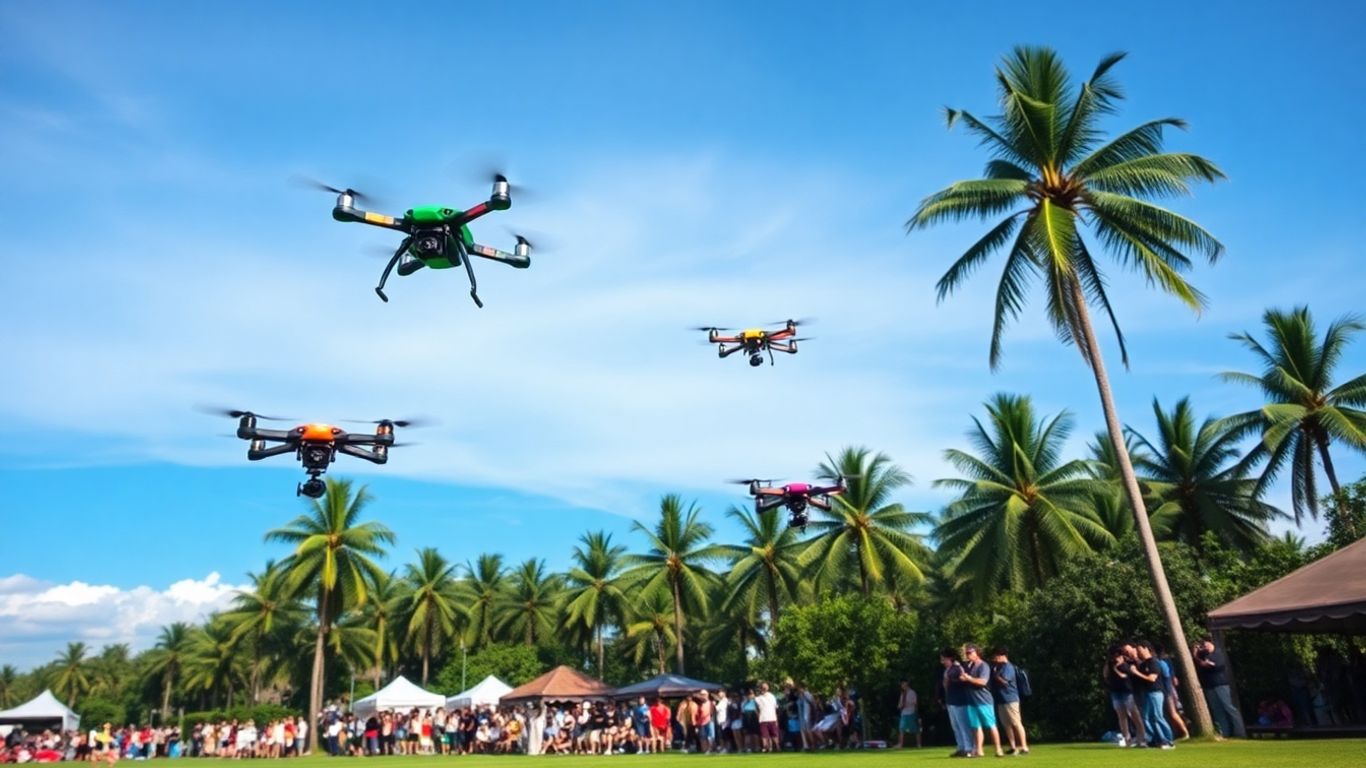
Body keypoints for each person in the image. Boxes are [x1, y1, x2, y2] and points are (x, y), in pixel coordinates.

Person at [1194, 637, 1246, 738]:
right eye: (1203, 646)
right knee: (1217, 710)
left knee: (1229, 707)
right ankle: (1225, 732)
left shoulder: (1218, 654)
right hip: (1210, 686)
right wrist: (1196, 654)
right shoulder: (1204, 655)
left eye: (1206, 645)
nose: (1205, 647)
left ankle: (1240, 732)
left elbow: (1211, 665)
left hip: (1221, 684)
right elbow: (1198, 661)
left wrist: (1202, 660)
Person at [960, 644, 1004, 758]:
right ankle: (979, 750)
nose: (968, 655)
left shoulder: (983, 666)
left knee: (991, 725)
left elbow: (983, 682)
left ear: (977, 652)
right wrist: (964, 678)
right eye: (967, 653)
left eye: (970, 652)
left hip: (983, 701)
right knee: (976, 726)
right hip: (971, 701)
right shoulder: (969, 666)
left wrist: (969, 678)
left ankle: (998, 749)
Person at [1131, 642, 1175, 748]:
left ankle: (1168, 740)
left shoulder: (1153, 663)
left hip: (1155, 693)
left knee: (1158, 717)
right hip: (1147, 693)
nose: (1138, 651)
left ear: (1146, 649)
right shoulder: (1143, 664)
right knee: (1146, 717)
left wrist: (1136, 672)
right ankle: (1154, 739)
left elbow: (1152, 678)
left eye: (1140, 649)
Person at [1104, 644, 1146, 747]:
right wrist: (1110, 667)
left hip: (1127, 691)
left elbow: (1125, 675)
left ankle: (1142, 737)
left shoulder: (1127, 663)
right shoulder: (1110, 664)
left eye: (1117, 655)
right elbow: (1106, 675)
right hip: (1116, 691)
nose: (1116, 658)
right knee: (1121, 716)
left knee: (1134, 714)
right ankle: (1127, 739)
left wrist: (1118, 667)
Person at [989, 647, 1027, 755]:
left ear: (1002, 656)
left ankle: (1024, 746)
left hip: (1011, 698)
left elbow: (1005, 682)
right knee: (1006, 724)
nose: (994, 659)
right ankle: (1013, 746)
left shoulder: (1008, 667)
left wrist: (996, 675)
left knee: (1016, 722)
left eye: (996, 656)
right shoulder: (999, 667)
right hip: (1001, 699)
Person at [941, 649, 973, 757]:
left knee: (963, 725)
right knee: (955, 726)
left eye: (944, 659)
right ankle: (961, 747)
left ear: (949, 658)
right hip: (951, 700)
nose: (942, 661)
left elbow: (962, 681)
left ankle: (969, 747)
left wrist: (951, 680)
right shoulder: (948, 669)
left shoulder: (958, 667)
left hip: (960, 700)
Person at [755, 682, 780, 753]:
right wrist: (759, 717)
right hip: (763, 718)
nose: (764, 688)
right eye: (763, 687)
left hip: (772, 718)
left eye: (765, 687)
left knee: (774, 734)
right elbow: (757, 709)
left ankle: (777, 747)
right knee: (764, 735)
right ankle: (766, 747)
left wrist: (776, 719)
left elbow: (775, 708)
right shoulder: (758, 698)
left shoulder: (772, 696)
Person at [895, 679, 921, 748]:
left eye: (903, 684)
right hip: (904, 713)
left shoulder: (912, 692)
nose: (902, 686)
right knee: (901, 729)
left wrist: (916, 714)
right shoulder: (902, 694)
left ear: (906, 684)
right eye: (901, 685)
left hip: (911, 712)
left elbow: (915, 703)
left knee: (916, 729)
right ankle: (900, 744)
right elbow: (900, 704)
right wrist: (900, 706)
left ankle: (919, 744)